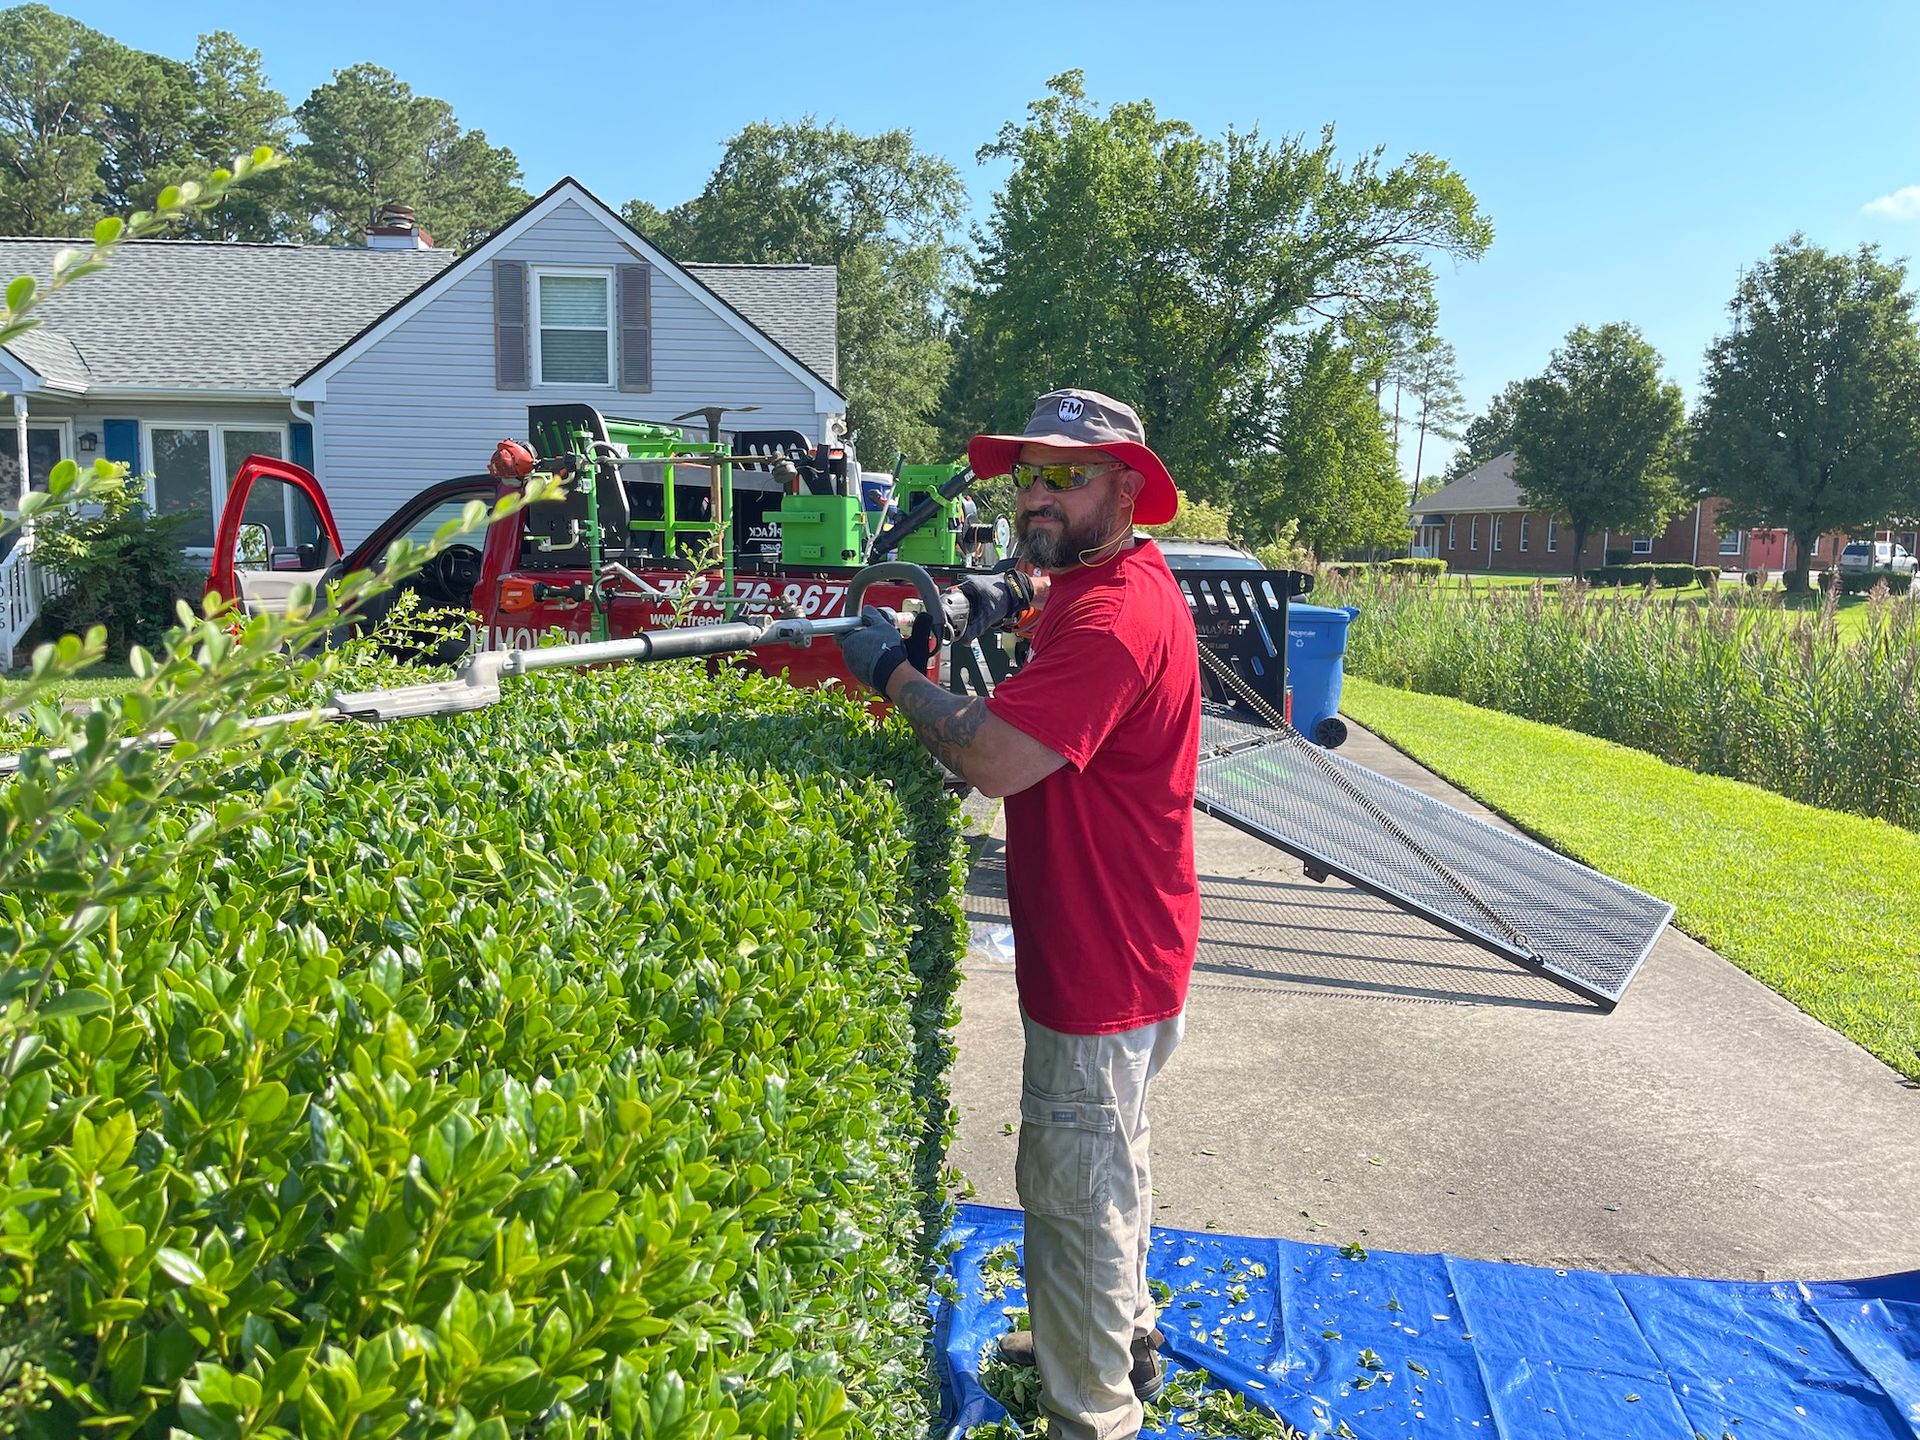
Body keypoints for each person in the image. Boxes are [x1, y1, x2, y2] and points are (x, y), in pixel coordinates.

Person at [836, 388, 1201, 1440]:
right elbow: (1057, 606)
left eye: (1067, 476)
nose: (1038, 493)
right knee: (1116, 1150)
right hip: (1141, 937)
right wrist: (997, 603)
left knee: (1070, 1186)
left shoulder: (1114, 616)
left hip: (1100, 956)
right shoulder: (1112, 581)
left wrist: (894, 673)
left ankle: (1094, 1415)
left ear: (1127, 489)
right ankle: (1121, 1328)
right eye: (1027, 473)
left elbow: (995, 760)